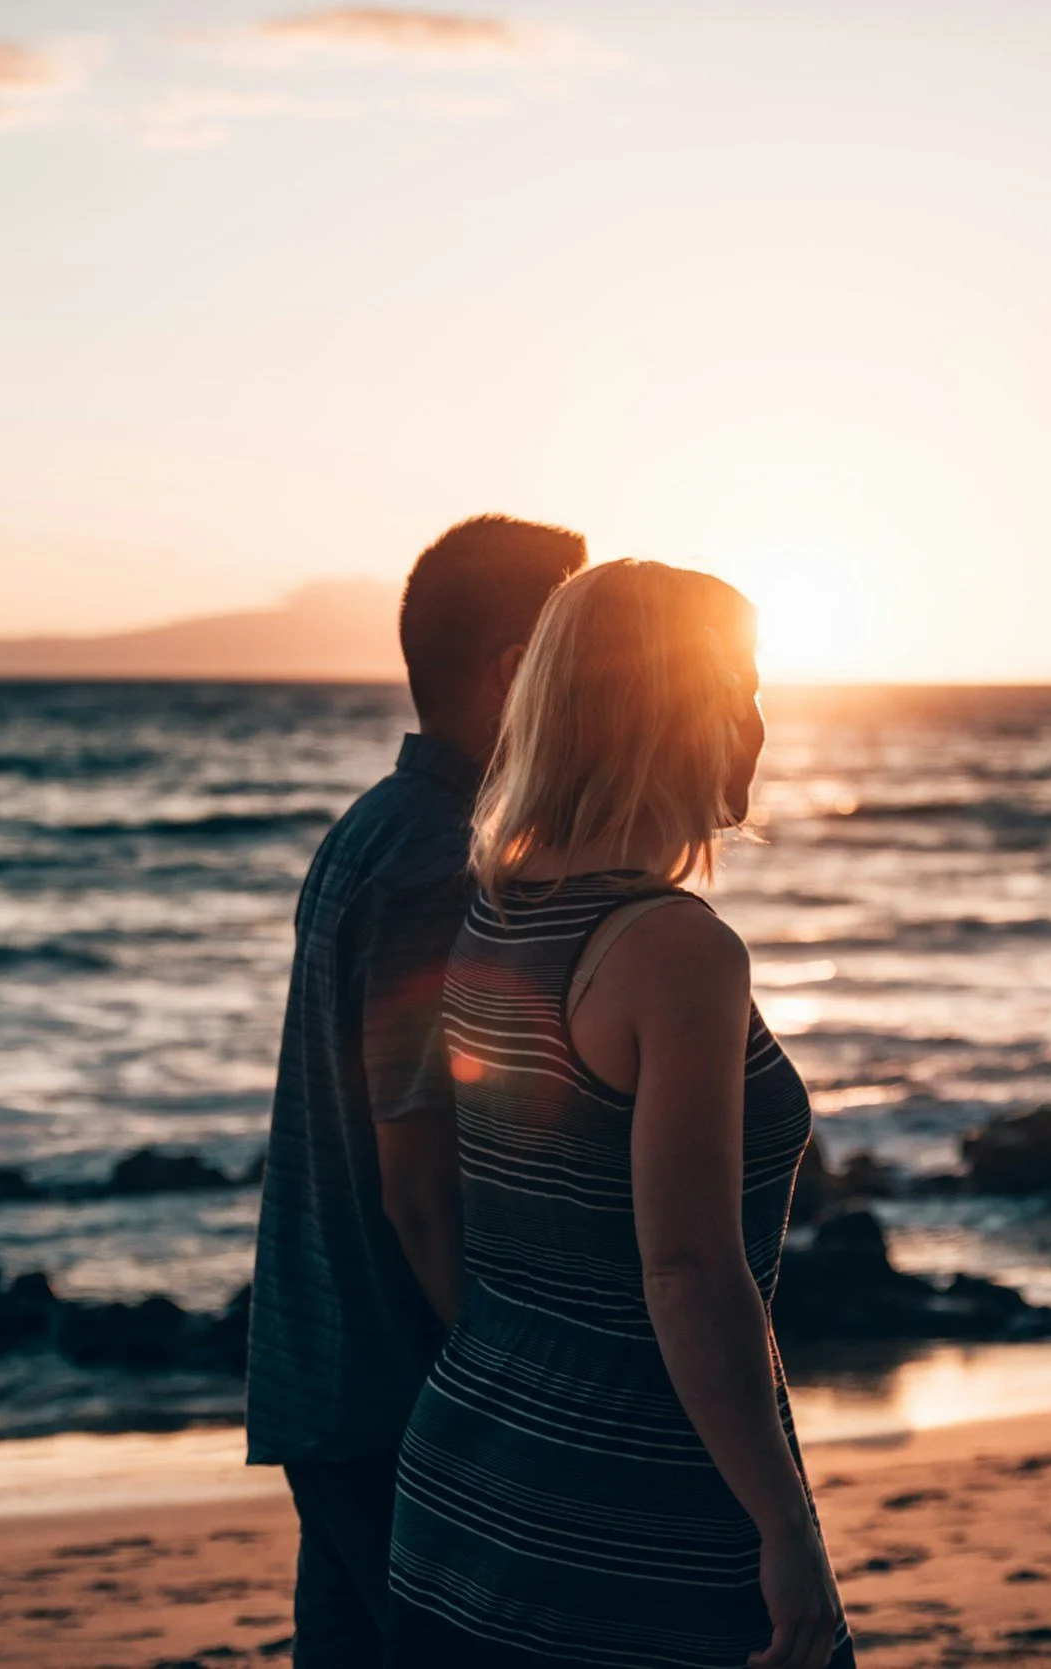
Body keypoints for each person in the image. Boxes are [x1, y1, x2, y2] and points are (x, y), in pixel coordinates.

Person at [386, 560, 857, 1669]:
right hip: (631, 1521)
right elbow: (687, 1270)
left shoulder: (495, 913)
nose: (754, 718)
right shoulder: (676, 951)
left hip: (464, 1490)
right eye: (734, 684)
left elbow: (460, 1207)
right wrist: (787, 1527)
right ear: (663, 712)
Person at [247, 515, 588, 1669]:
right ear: (512, 675)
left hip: (329, 1367)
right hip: (402, 1393)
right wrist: (501, 1393)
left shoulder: (373, 829)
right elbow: (419, 1181)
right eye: (572, 660)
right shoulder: (439, 859)